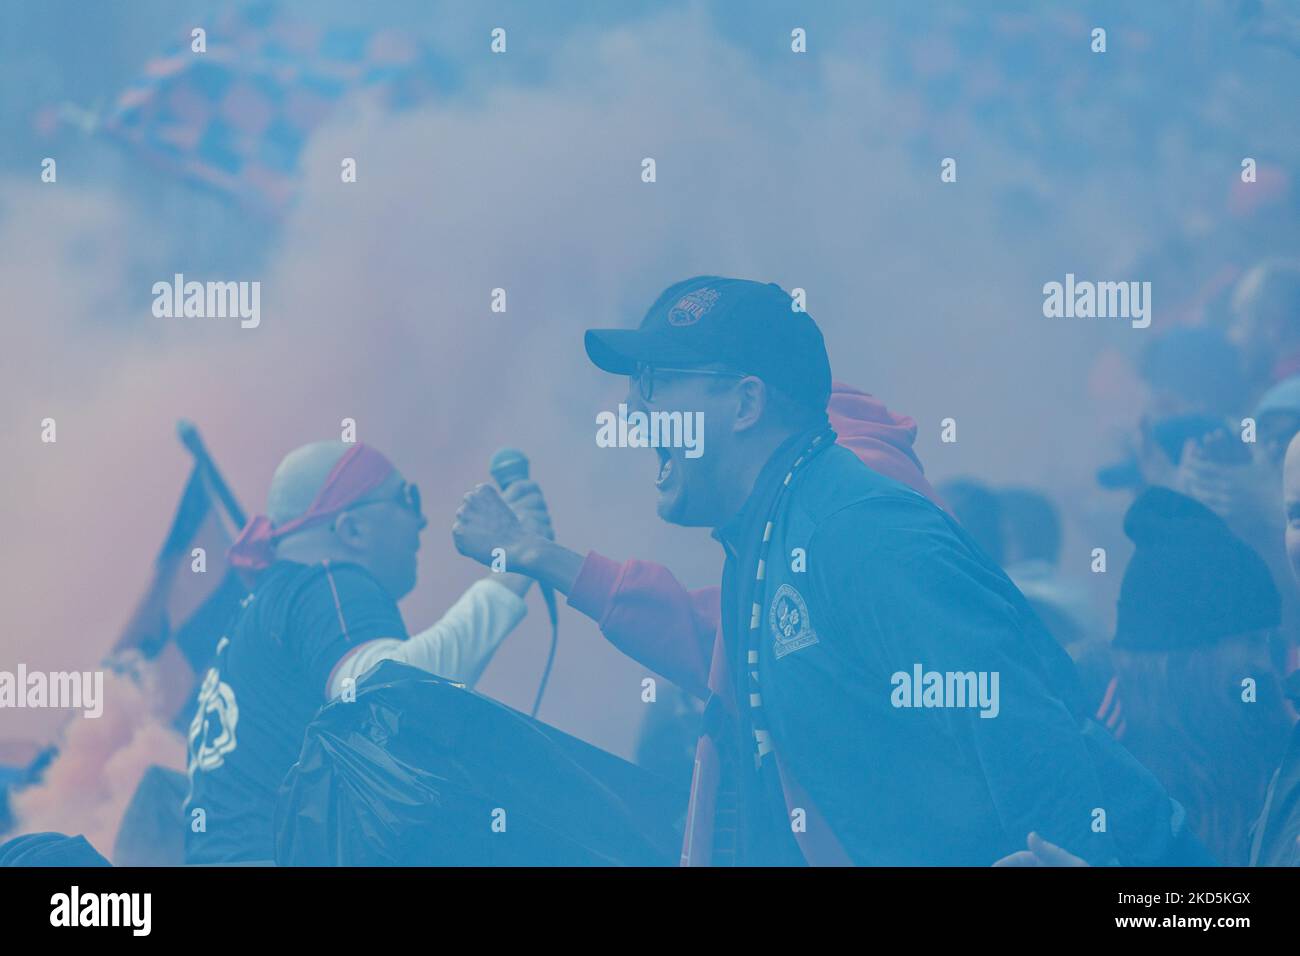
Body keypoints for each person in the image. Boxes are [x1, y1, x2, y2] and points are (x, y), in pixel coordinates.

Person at [454, 275, 1193, 866]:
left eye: (656, 384)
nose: (634, 412)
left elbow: (1019, 717)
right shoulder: (769, 534)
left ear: (745, 402)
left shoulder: (857, 525)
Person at [183, 440, 550, 864]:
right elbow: (391, 690)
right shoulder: (324, 582)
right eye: (406, 498)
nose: (422, 519)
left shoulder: (261, 610)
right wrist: (511, 571)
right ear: (351, 530)